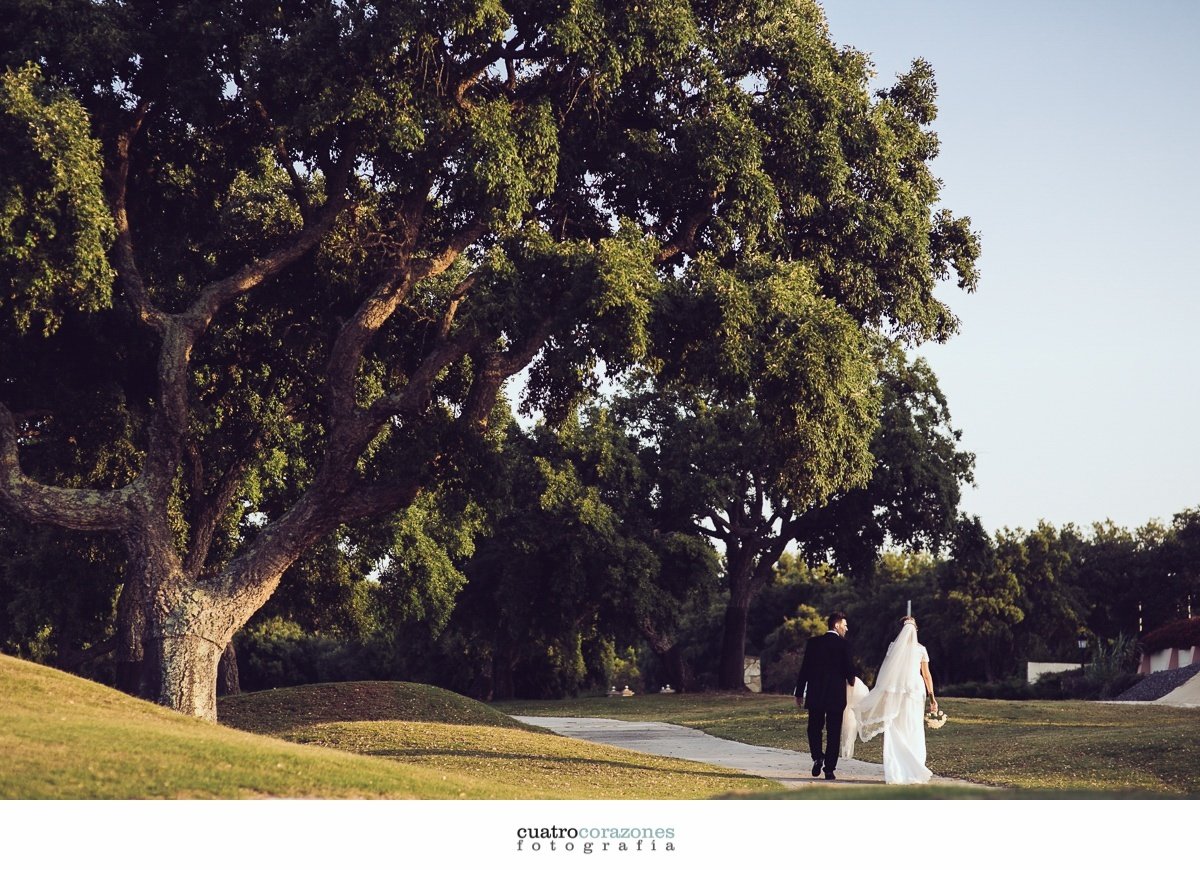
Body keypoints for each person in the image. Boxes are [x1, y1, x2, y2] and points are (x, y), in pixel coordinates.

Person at [853, 615, 938, 785]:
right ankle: (914, 767)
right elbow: (926, 675)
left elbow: (888, 673)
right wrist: (932, 698)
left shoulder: (893, 648)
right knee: (913, 728)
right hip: (915, 691)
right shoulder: (921, 649)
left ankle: (897, 771)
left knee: (895, 728)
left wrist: (883, 694)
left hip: (896, 691)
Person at [794, 611, 857, 780]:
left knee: (814, 728)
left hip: (816, 693)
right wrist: (852, 681)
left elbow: (804, 669)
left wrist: (799, 692)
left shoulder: (813, 643)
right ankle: (829, 768)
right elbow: (849, 670)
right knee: (833, 732)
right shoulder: (844, 645)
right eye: (844, 625)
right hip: (836, 696)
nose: (846, 628)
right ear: (836, 625)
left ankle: (817, 756)